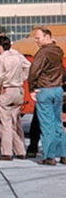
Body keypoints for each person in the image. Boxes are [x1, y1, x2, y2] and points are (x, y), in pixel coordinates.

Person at [26, 27, 66, 165]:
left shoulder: (42, 53)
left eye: (38, 38)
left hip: (45, 90)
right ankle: (63, 154)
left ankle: (49, 156)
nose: (36, 41)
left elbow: (33, 71)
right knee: (58, 123)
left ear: (47, 37)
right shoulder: (58, 51)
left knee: (47, 124)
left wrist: (32, 88)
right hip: (58, 89)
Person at [0, 35, 29, 160]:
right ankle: (20, 150)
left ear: (0, 46)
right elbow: (28, 66)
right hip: (18, 90)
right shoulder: (17, 55)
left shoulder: (0, 59)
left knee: (4, 122)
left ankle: (7, 152)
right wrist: (21, 79)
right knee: (15, 122)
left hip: (6, 90)